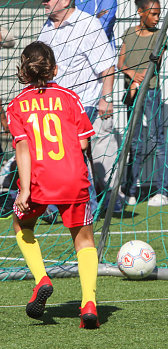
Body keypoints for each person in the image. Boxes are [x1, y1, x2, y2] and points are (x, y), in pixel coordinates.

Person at [7, 41, 99, 329]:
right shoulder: (70, 97)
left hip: (39, 180)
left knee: (21, 225)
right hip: (73, 176)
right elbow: (84, 141)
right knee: (84, 241)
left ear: (23, 71)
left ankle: (42, 279)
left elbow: (22, 148)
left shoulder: (15, 105)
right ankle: (89, 305)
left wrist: (24, 189)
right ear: (55, 68)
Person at [38, 0, 120, 214]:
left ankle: (86, 208)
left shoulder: (87, 24)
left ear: (65, 0)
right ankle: (55, 206)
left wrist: (106, 98)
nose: (43, 1)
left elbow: (107, 66)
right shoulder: (46, 28)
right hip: (52, 106)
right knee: (56, 157)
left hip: (83, 103)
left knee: (73, 155)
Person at [117, 0, 168, 207]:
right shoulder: (128, 34)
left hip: (150, 92)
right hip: (131, 94)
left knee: (157, 139)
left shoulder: (159, 36)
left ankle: (162, 192)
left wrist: (139, 83)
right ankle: (130, 190)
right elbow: (121, 63)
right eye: (154, 14)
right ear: (140, 12)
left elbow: (154, 65)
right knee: (135, 142)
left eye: (159, 14)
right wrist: (131, 76)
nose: (157, 18)